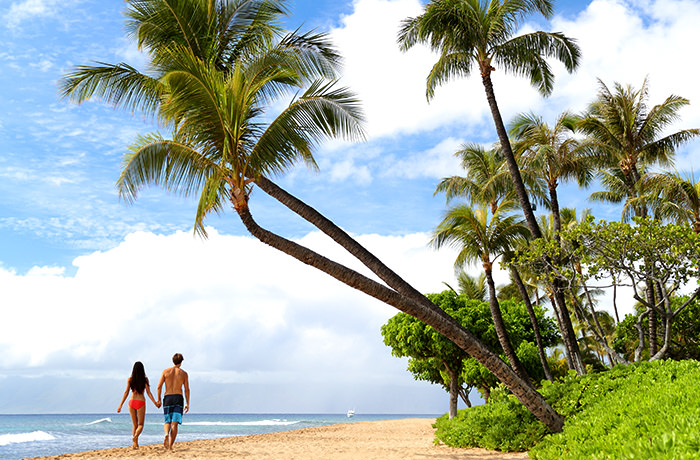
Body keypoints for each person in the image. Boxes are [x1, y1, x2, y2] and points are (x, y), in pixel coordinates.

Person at [117, 361, 159, 449]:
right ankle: (135, 437)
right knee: (140, 425)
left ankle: (134, 444)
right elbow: (148, 393)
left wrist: (120, 405)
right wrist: (155, 402)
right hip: (140, 402)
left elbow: (126, 392)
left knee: (134, 424)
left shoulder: (130, 379)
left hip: (131, 402)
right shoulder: (145, 379)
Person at [157, 353, 190, 450]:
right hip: (178, 398)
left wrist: (158, 399)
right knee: (174, 423)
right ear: (181, 362)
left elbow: (159, 387)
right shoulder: (184, 374)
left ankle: (166, 434)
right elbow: (187, 389)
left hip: (167, 397)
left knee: (167, 421)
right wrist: (188, 403)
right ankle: (170, 446)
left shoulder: (165, 371)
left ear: (173, 360)